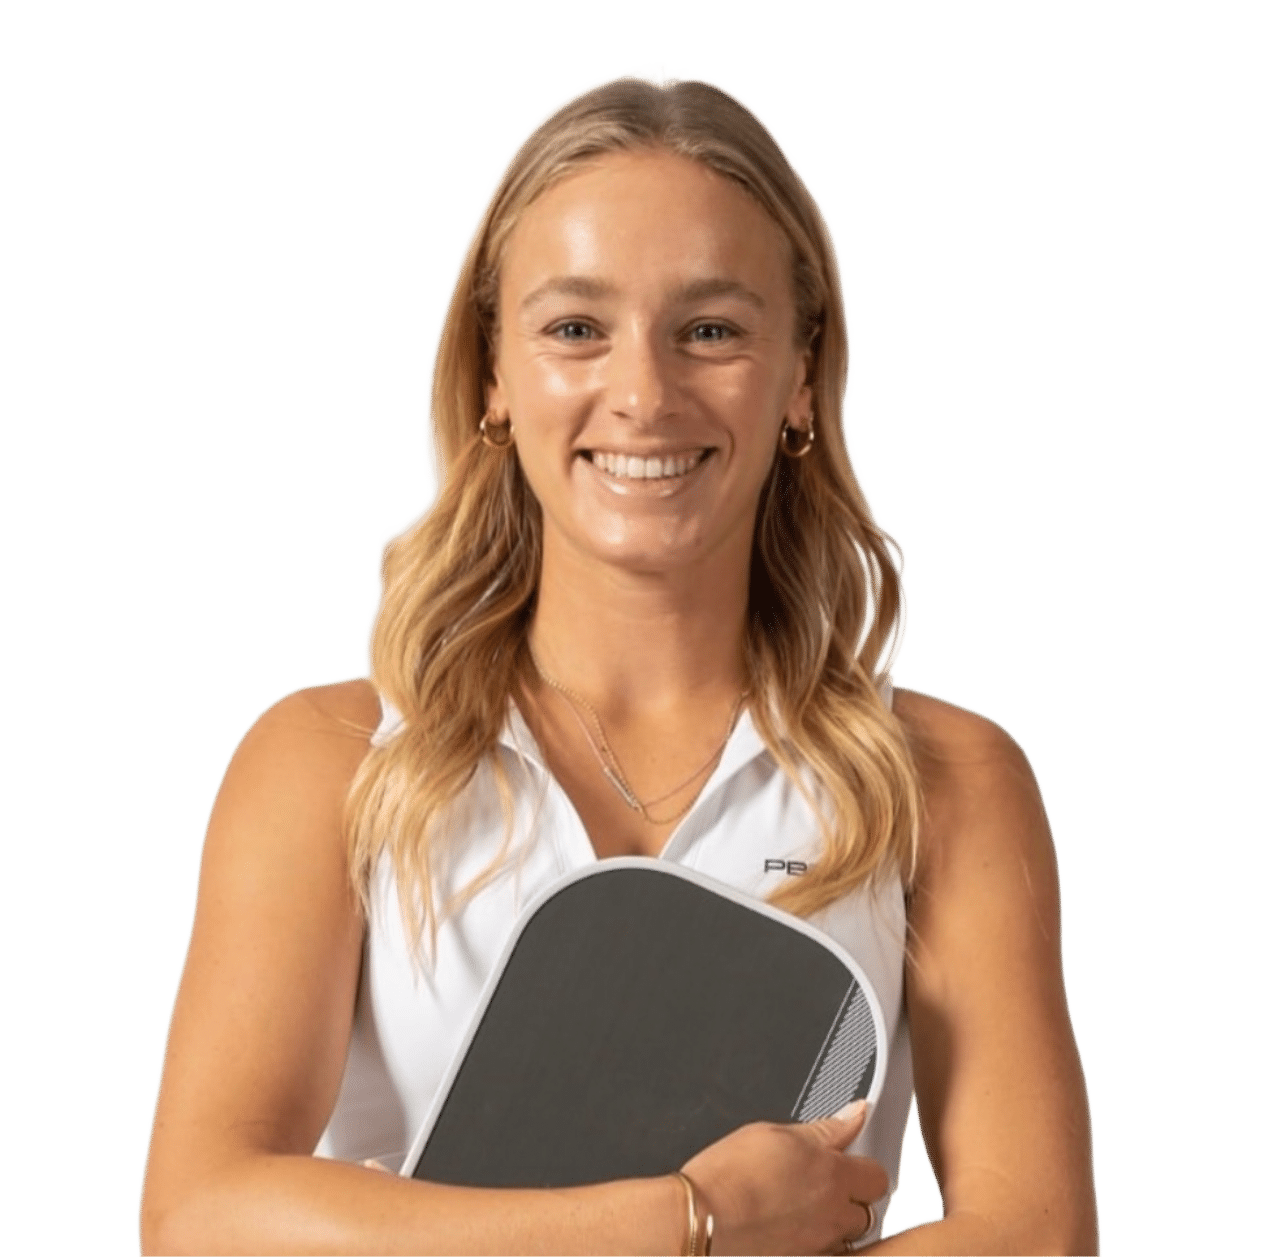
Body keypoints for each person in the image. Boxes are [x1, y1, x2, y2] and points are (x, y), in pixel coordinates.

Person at [138, 64, 1099, 1255]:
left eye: (711, 330)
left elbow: (1035, 1237)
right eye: (576, 330)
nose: (643, 393)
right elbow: (202, 1219)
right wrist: (692, 1221)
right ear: (495, 374)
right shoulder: (327, 762)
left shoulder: (948, 781)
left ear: (802, 377)